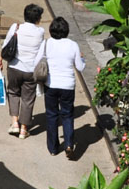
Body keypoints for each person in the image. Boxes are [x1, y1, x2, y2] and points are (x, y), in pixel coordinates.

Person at [0, 3, 46, 139]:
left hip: (14, 67)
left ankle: (15, 123)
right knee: (28, 98)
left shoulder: (16, 27)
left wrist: (0, 59)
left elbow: (6, 44)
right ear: (37, 19)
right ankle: (24, 130)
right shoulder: (40, 32)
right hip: (31, 71)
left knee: (13, 93)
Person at [41, 16, 86, 158]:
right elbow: (80, 67)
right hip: (68, 85)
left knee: (51, 115)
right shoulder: (73, 45)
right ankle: (68, 144)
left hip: (51, 84)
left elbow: (38, 61)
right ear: (66, 30)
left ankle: (53, 148)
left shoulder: (47, 44)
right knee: (67, 115)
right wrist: (82, 58)